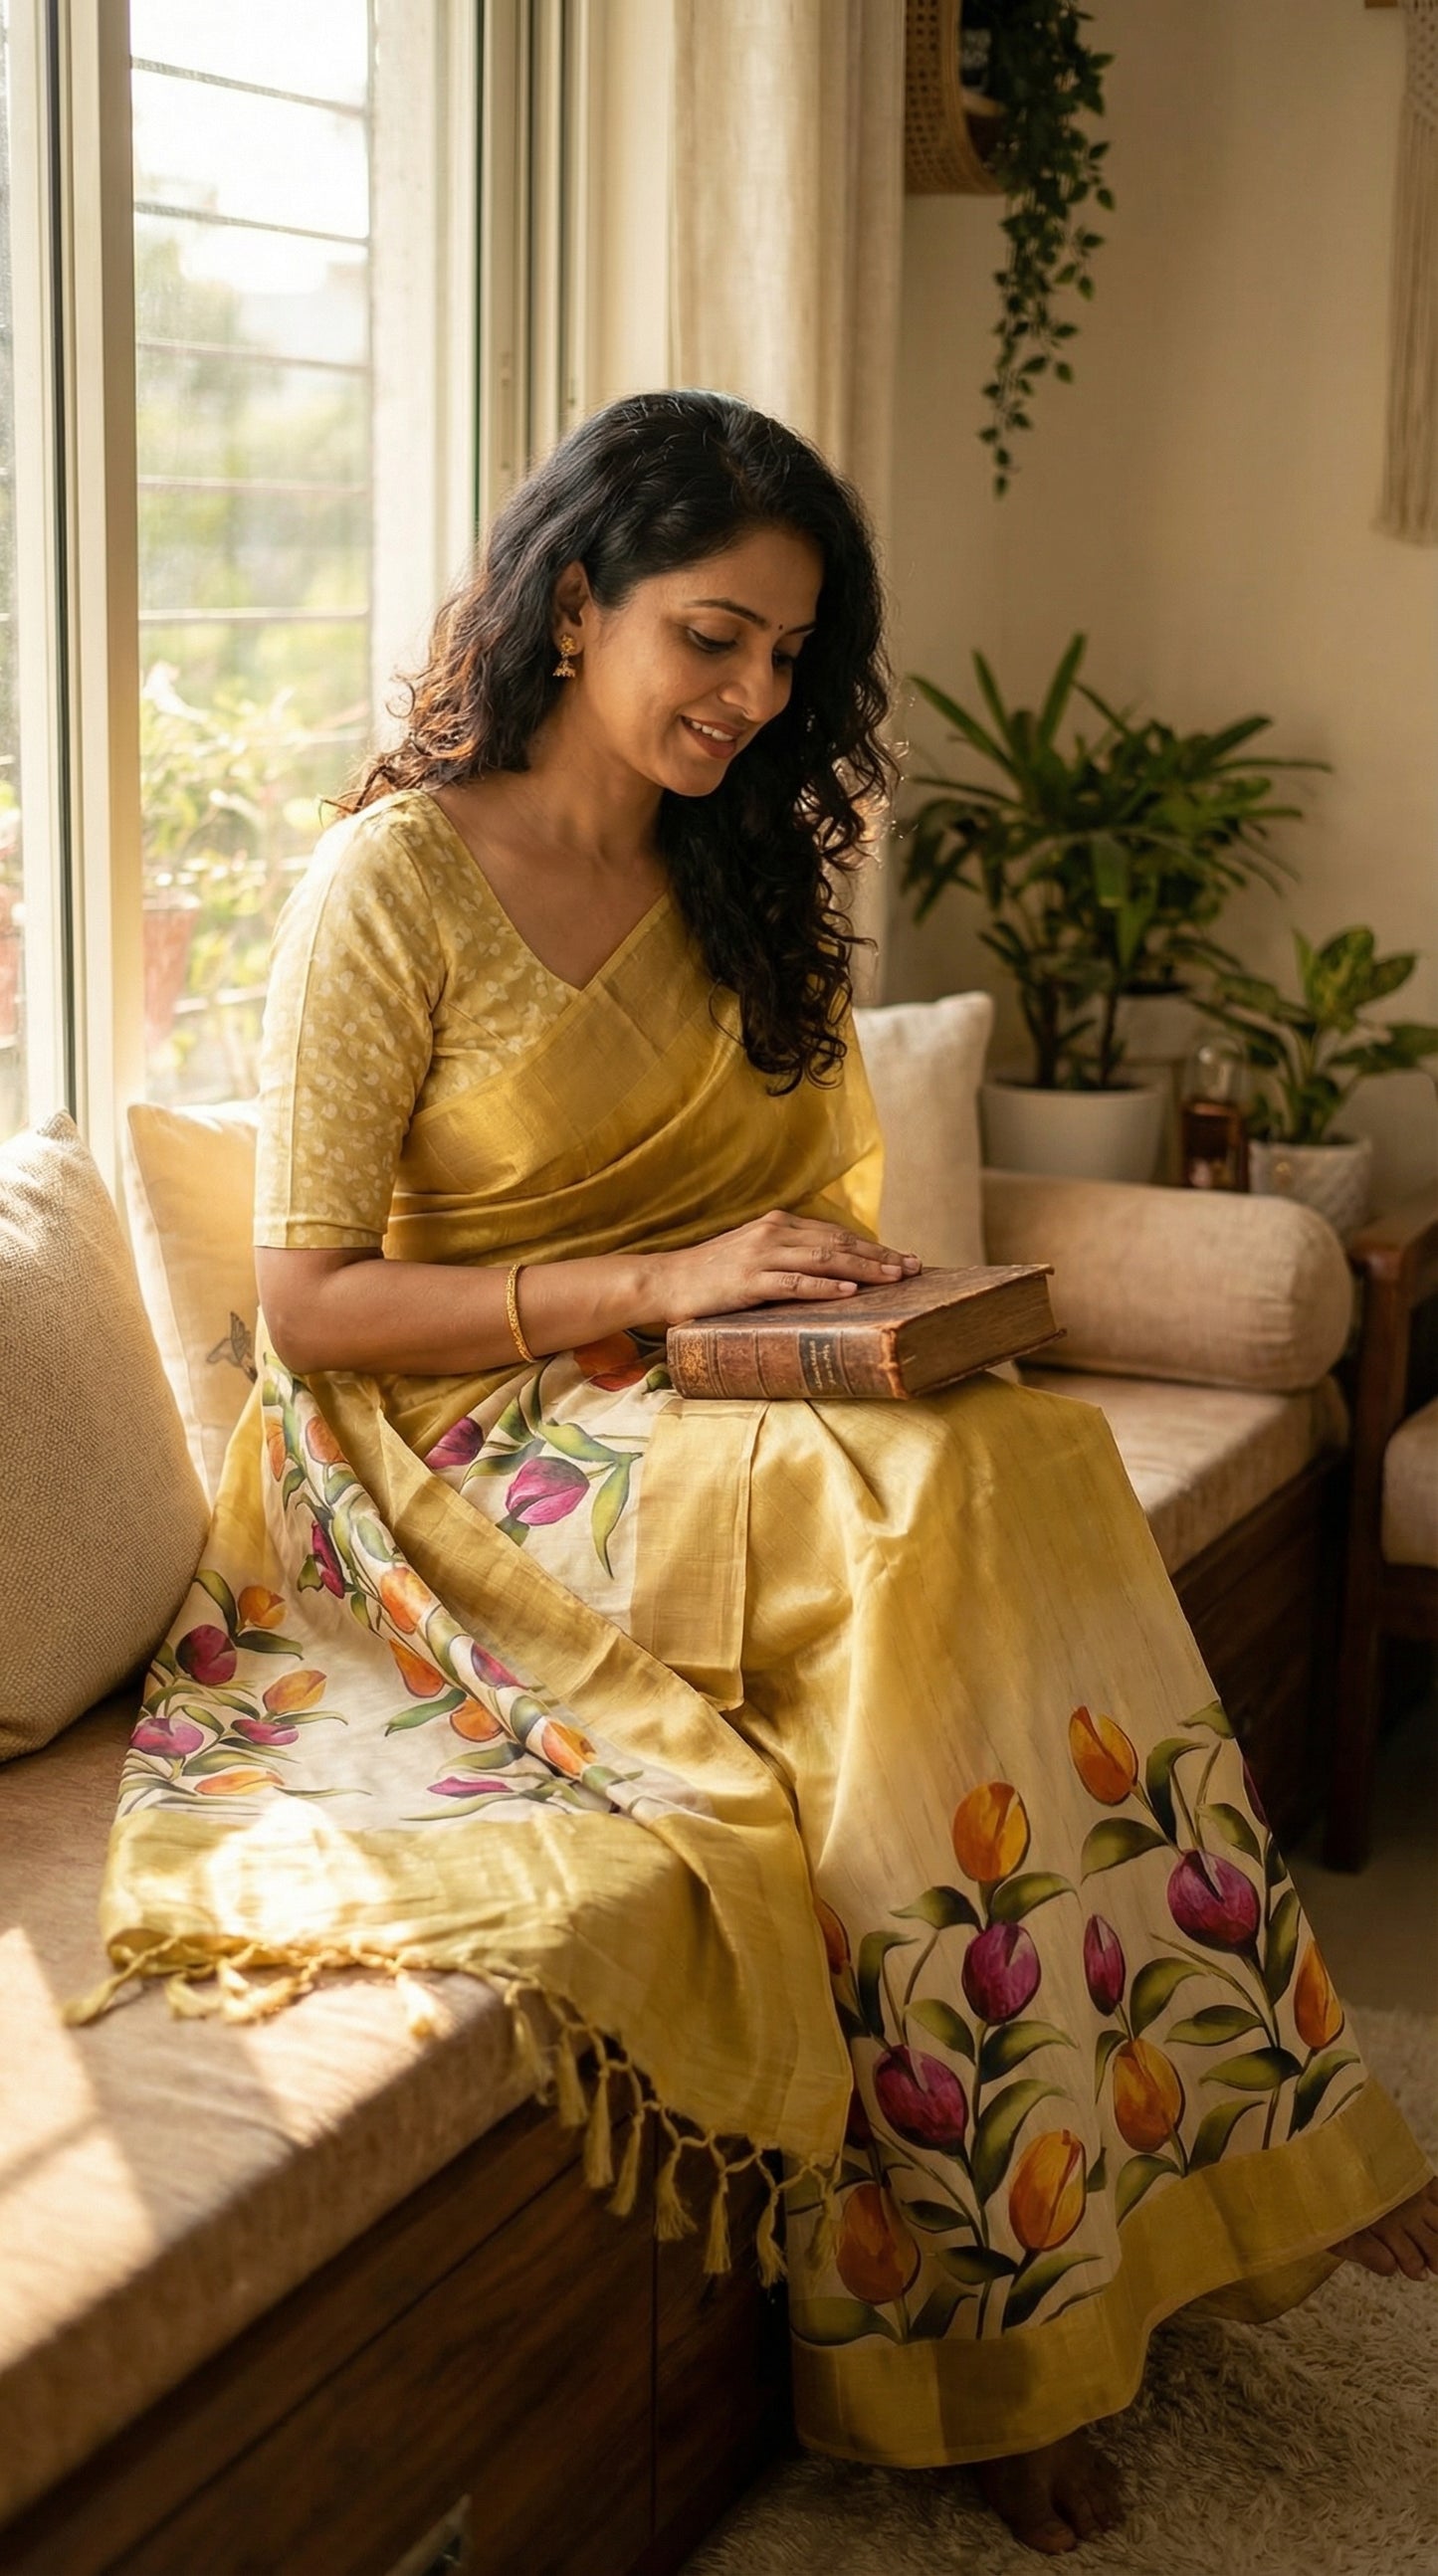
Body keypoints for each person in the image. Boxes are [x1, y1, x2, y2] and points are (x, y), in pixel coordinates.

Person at [103, 392, 1436, 2558]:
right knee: (904, 1524)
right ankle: (975, 2303)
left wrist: (844, 1292)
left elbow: (768, 1202)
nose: (753, 698)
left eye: (790, 658)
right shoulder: (397, 881)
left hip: (697, 1387)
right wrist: (660, 1273)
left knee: (1031, 1456)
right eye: (712, 638)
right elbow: (311, 1303)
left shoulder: (734, 870)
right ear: (572, 605)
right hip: (445, 1450)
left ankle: (1230, 2108)